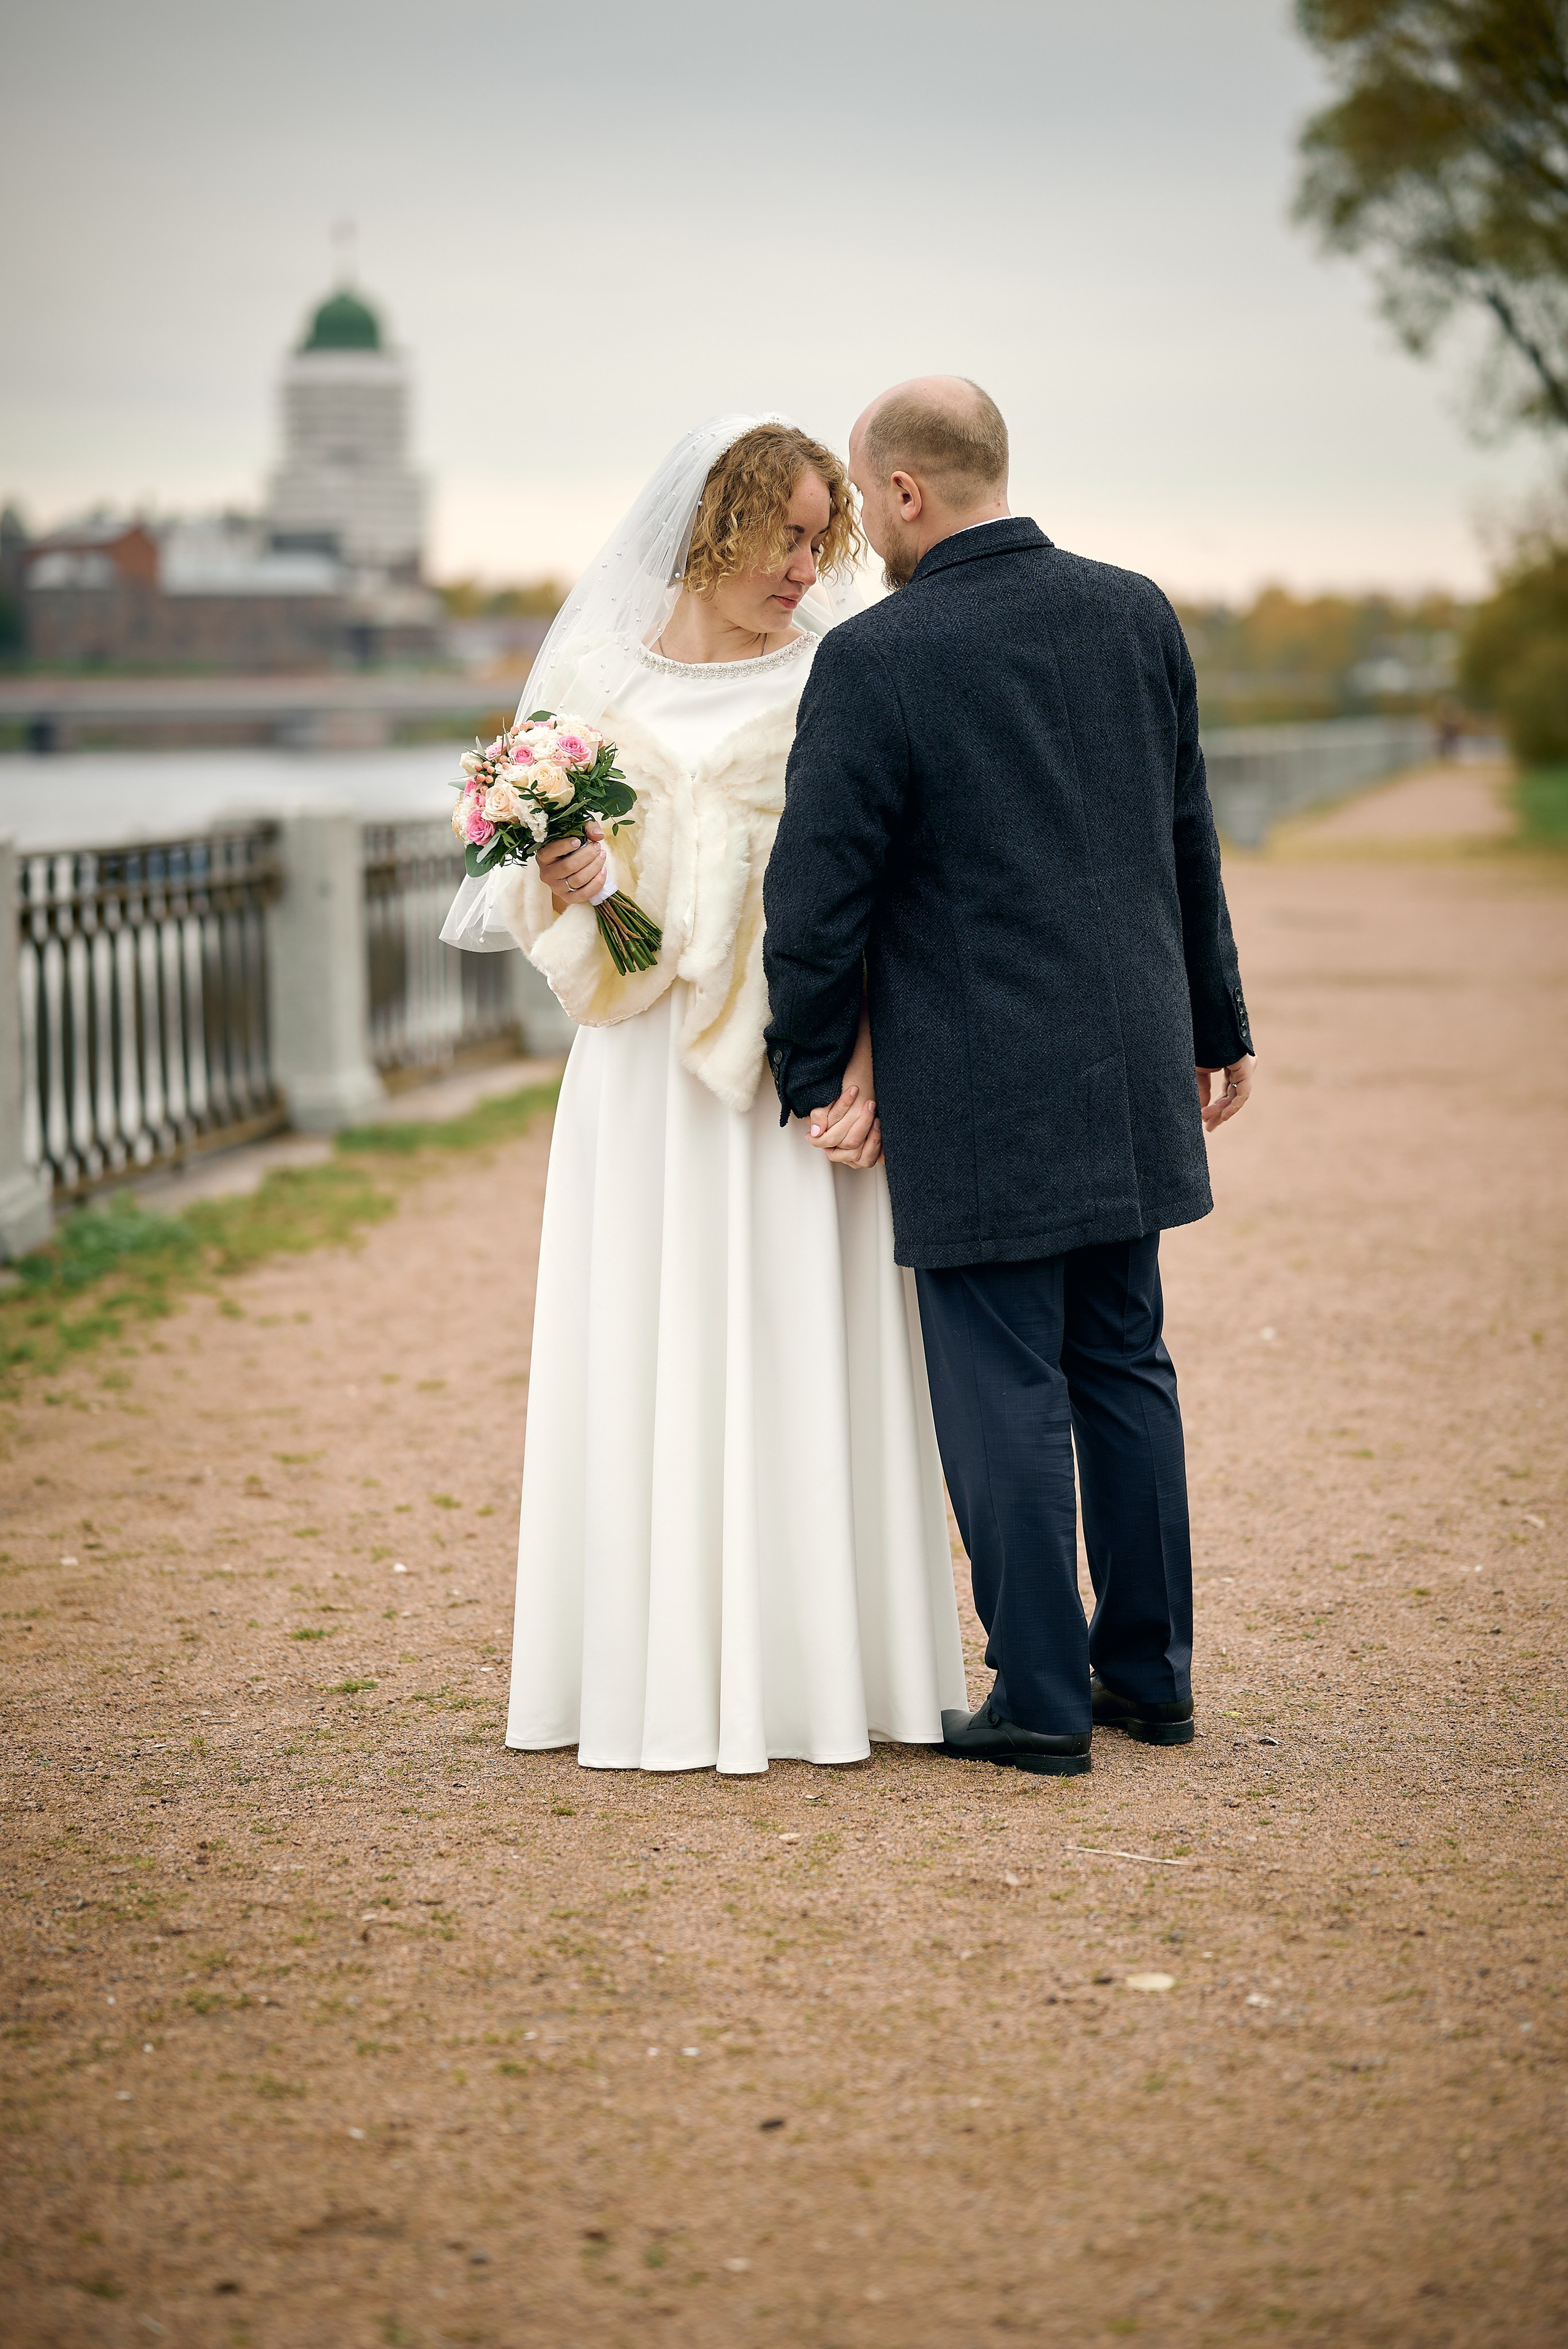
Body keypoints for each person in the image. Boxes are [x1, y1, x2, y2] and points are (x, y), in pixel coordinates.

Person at [441, 415, 967, 1774]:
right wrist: (567, 878)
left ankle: (819, 1675)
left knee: (801, 1339)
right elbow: (538, 889)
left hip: (787, 1066)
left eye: (820, 538)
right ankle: (648, 1671)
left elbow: (887, 887)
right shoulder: (599, 677)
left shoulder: (836, 676)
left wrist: (859, 1061)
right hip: (636, 1073)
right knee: (643, 1341)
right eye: (782, 535)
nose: (804, 565)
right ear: (711, 526)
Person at [763, 377, 1256, 1778]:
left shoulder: (876, 658)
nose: (861, 528)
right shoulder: (1133, 610)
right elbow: (1186, 837)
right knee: (1121, 1359)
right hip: (1129, 1059)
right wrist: (1217, 1022)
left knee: (1001, 1386)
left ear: (906, 491)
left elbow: (817, 900)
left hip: (979, 1079)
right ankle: (1148, 1675)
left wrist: (810, 1068)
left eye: (863, 501)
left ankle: (1039, 1695)